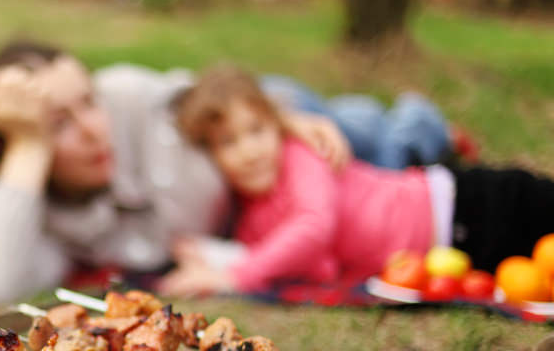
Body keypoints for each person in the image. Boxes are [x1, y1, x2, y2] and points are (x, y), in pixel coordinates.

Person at [0, 40, 453, 305]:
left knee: (381, 143)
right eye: (59, 123)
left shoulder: (127, 94)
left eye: (88, 101)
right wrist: (30, 144)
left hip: (265, 140)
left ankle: (418, 117)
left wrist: (281, 119)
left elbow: (217, 99)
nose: (96, 129)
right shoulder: (42, 217)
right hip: (261, 212)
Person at [159, 64, 554, 297]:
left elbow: (314, 229)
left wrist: (233, 275)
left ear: (277, 125)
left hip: (460, 202)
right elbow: (322, 267)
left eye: (257, 130)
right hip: (455, 252)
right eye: (228, 141)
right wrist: (209, 255)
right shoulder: (253, 219)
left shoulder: (300, 156)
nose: (249, 149)